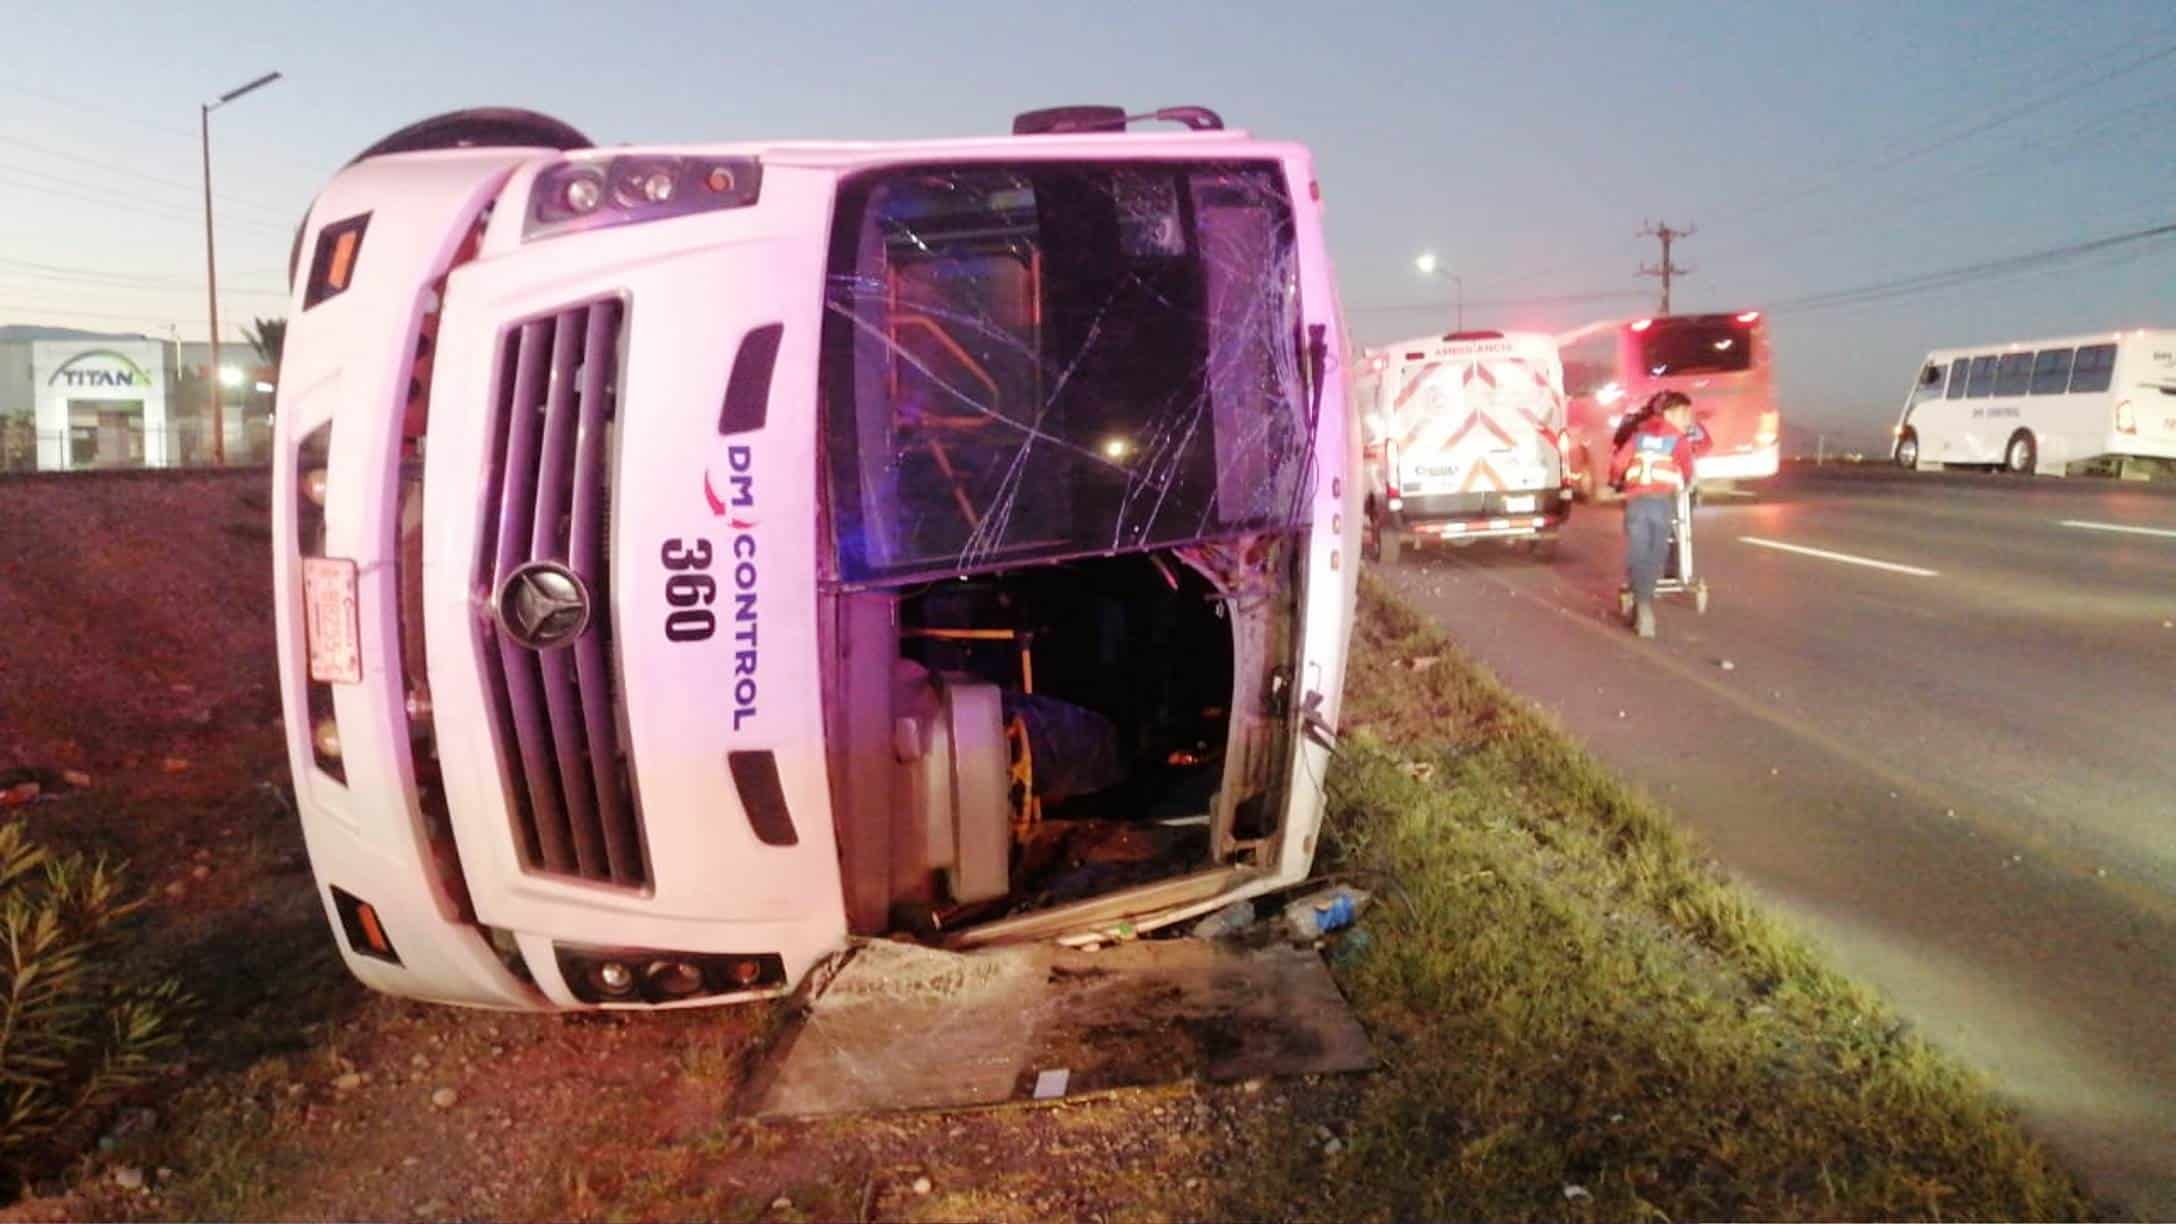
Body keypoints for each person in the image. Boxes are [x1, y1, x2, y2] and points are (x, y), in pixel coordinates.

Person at [1609, 391, 1705, 638]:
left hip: (1636, 502)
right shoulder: (1678, 440)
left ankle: (1641, 606)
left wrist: (1615, 481)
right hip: (1661, 503)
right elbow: (1686, 470)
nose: (1688, 418)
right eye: (1684, 413)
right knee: (1654, 553)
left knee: (1638, 552)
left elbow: (1619, 462)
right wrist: (1688, 485)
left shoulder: (1639, 436)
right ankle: (1644, 605)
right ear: (1671, 414)